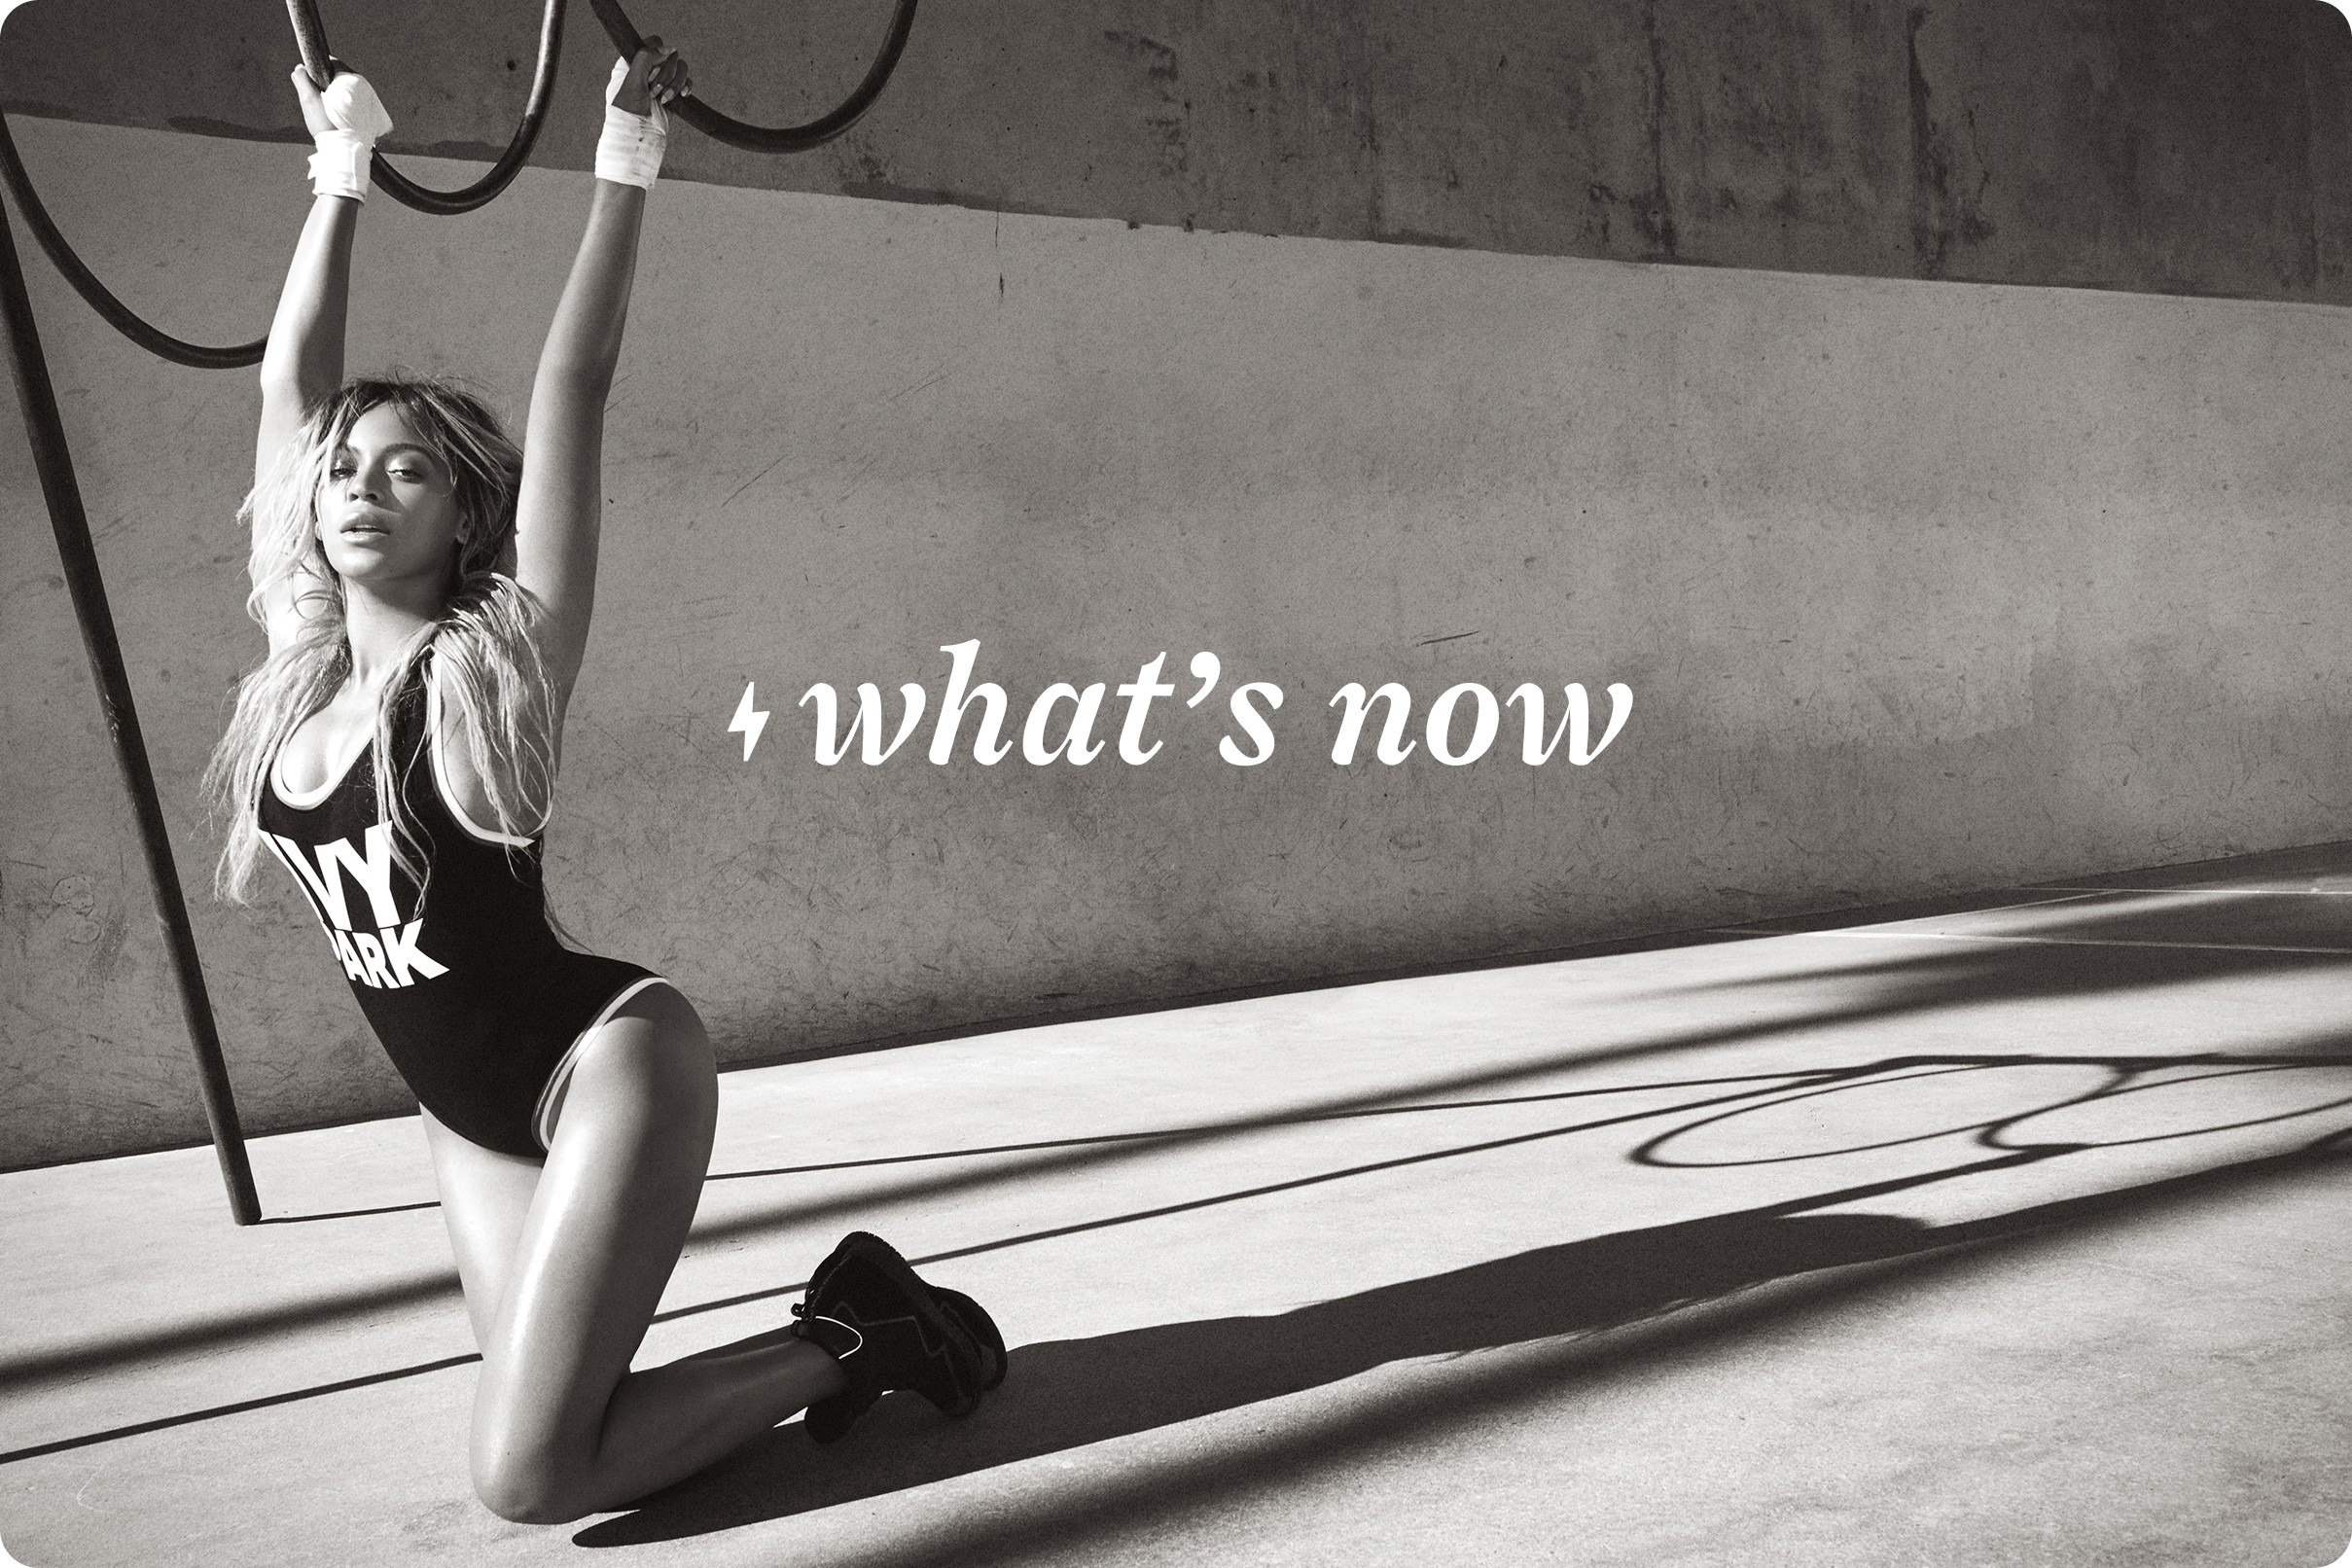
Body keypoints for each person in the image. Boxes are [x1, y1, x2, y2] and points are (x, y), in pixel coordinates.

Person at [199, 44, 1003, 1523]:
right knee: (574, 1440)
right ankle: (869, 1320)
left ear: (466, 514)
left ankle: (861, 1341)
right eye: (345, 473)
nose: (361, 488)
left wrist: (624, 161)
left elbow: (575, 384)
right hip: (467, 1116)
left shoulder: (491, 668)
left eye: (406, 472)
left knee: (525, 1475)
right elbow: (286, 388)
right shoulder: (300, 676)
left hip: (602, 1069)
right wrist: (338, 174)